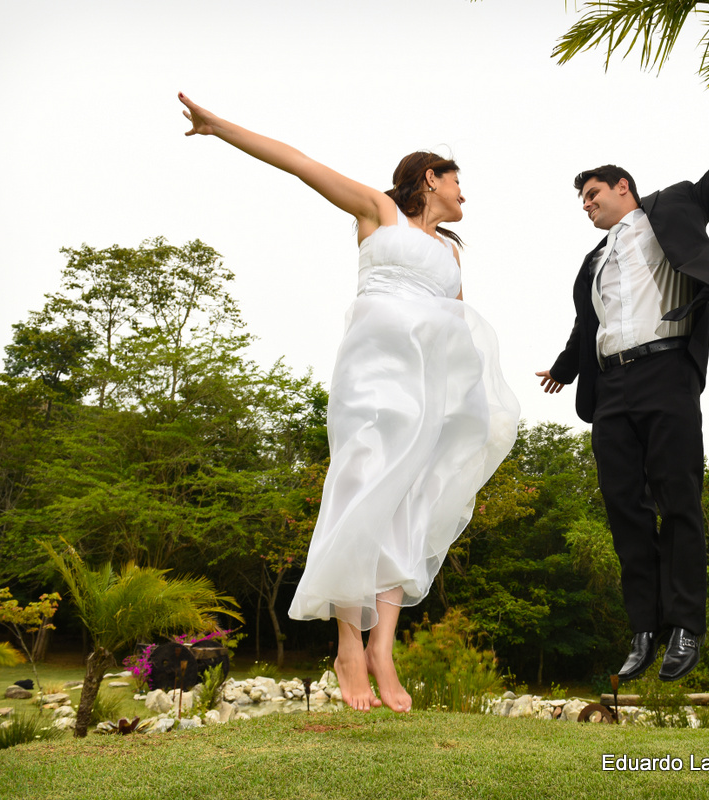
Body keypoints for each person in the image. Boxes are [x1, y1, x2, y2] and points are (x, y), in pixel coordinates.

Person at [180, 93, 520, 712]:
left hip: (427, 392)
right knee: (360, 490)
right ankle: (346, 645)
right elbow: (296, 161)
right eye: (458, 183)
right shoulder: (378, 212)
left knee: (409, 506)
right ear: (431, 179)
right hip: (370, 378)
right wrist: (217, 127)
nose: (464, 196)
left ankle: (382, 648)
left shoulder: (450, 254)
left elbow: (459, 328)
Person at [535, 51, 709, 683]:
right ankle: (643, 629)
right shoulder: (591, 263)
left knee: (678, 498)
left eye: (592, 194)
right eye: (582, 200)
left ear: (623, 189)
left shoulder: (676, 206)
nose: (586, 205)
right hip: (612, 390)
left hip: (666, 372)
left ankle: (687, 623)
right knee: (622, 507)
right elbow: (589, 323)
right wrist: (565, 368)